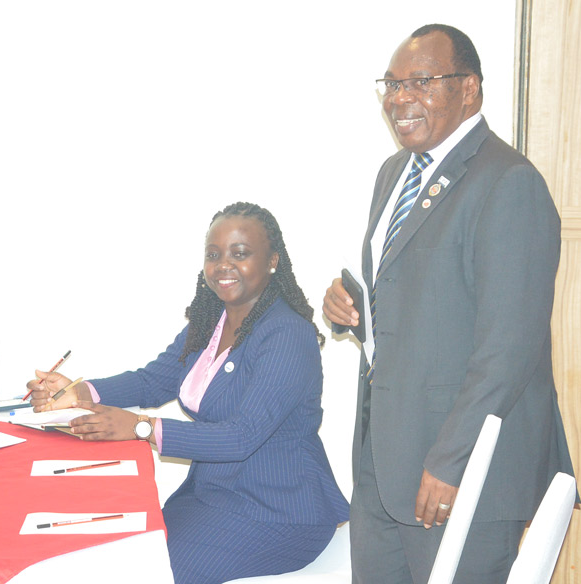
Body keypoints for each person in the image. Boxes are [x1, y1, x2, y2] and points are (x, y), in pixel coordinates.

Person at [322, 24, 574, 583]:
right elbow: (426, 310)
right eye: (391, 84)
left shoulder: (509, 183)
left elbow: (508, 348)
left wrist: (452, 461)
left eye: (421, 82)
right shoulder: (394, 175)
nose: (399, 98)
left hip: (457, 469)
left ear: (470, 90)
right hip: (384, 461)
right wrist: (355, 310)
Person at [29, 202, 348, 584]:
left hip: (276, 511)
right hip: (212, 496)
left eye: (240, 253)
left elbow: (241, 436)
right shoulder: (212, 320)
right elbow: (153, 380)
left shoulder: (287, 335)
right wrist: (76, 391)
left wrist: (142, 428)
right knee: (113, 553)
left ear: (273, 260)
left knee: (149, 573)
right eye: (213, 255)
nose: (223, 265)